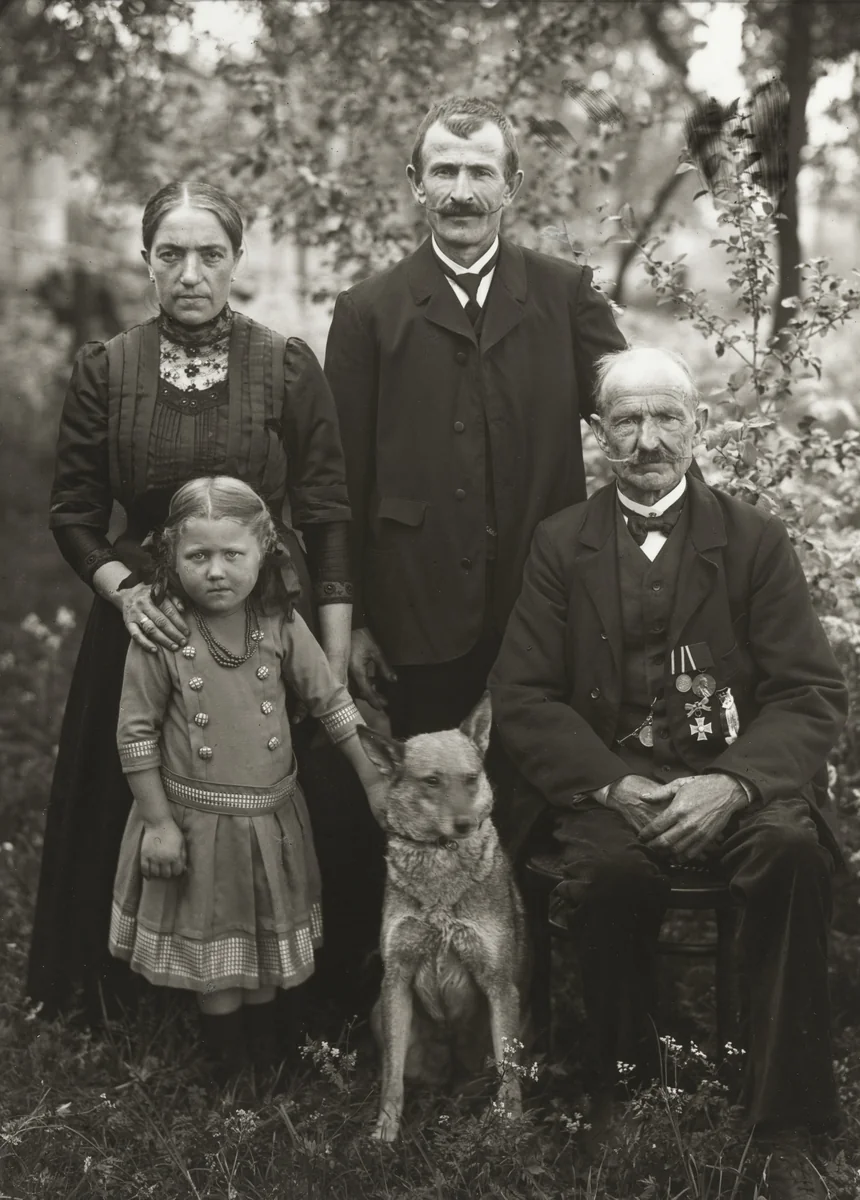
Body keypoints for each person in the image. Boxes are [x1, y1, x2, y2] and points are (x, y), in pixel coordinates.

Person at [489, 346, 847, 1200]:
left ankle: (783, 1120)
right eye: (626, 421)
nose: (648, 440)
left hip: (736, 779)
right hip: (613, 784)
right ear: (598, 435)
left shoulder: (754, 541)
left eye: (667, 418)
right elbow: (527, 696)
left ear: (701, 425)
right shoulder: (559, 544)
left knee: (793, 857)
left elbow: (808, 693)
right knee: (608, 874)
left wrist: (734, 785)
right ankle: (618, 1091)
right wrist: (613, 786)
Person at [28, 181, 381, 1024]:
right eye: (171, 254)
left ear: (237, 262)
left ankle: (299, 1004)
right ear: (146, 261)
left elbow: (328, 515)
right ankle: (138, 1000)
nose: (191, 273)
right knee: (138, 791)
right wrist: (123, 597)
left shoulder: (287, 365)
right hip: (147, 619)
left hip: (267, 620)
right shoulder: (107, 370)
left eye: (210, 254)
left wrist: (328, 657)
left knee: (303, 800)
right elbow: (75, 513)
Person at [324, 95, 626, 743]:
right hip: (415, 623)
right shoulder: (366, 313)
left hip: (547, 608)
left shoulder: (567, 296)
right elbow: (337, 484)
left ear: (511, 186)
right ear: (416, 185)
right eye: (444, 172)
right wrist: (354, 626)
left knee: (545, 808)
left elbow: (635, 427)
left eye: (481, 173)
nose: (461, 192)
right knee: (434, 819)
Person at [109, 477, 382, 1081]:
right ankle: (232, 1071)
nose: (215, 572)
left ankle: (270, 1060)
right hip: (198, 826)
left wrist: (371, 780)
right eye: (197, 556)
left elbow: (333, 703)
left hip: (273, 820)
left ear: (265, 551)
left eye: (233, 555)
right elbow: (135, 737)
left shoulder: (280, 622)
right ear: (170, 557)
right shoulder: (163, 634)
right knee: (218, 961)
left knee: (261, 951)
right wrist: (158, 823)